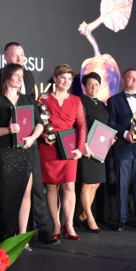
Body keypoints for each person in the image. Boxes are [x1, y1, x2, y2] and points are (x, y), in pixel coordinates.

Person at [0, 42, 57, 244]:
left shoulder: (28, 97)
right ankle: (6, 235)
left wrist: (32, 138)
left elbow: (39, 122)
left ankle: (24, 236)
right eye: (16, 74)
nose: (20, 77)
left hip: (26, 149)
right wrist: (6, 130)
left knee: (30, 191)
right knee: (6, 194)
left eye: (21, 75)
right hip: (5, 151)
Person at [38, 64, 86, 240]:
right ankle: (57, 225)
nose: (66, 82)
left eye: (69, 79)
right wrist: (43, 135)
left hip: (69, 146)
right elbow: (38, 123)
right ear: (55, 78)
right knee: (51, 187)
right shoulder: (43, 99)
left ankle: (69, 225)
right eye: (63, 78)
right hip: (49, 147)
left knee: (69, 186)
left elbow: (81, 125)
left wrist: (80, 148)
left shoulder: (76, 100)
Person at [107, 68, 136, 231]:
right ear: (123, 80)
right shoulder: (113, 100)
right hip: (123, 148)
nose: (134, 81)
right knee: (122, 185)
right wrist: (125, 134)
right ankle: (122, 219)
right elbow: (111, 123)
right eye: (130, 78)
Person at [77, 72, 114, 233]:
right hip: (87, 149)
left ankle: (83, 215)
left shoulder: (102, 105)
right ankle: (90, 218)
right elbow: (80, 125)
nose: (93, 87)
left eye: (96, 85)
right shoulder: (80, 102)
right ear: (85, 86)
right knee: (87, 184)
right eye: (90, 84)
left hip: (100, 149)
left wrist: (111, 138)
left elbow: (106, 126)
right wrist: (84, 146)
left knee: (95, 184)